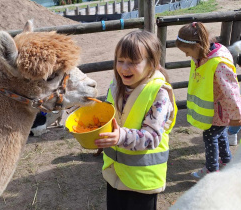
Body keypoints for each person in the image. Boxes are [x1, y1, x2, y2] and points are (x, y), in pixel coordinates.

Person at [94, 30, 177, 210]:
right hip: (115, 174)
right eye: (120, 61)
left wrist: (119, 137)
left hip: (142, 181)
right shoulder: (116, 86)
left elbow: (152, 137)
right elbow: (113, 118)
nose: (124, 68)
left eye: (133, 62)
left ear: (152, 64)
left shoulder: (159, 94)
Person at [176, 22, 241, 179]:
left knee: (210, 137)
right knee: (220, 134)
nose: (187, 55)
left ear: (198, 46)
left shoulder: (218, 63)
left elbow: (231, 91)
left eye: (187, 52)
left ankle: (211, 170)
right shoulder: (204, 55)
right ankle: (226, 160)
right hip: (217, 109)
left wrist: (236, 115)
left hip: (218, 111)